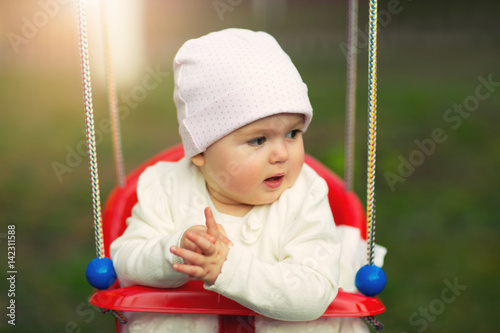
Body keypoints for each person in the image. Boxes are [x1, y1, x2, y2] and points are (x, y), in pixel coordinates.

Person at [110, 28, 385, 332]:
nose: (281, 153)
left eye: (293, 133)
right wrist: (174, 251)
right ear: (200, 150)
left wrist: (230, 268)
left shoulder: (304, 195)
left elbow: (314, 291)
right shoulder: (164, 187)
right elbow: (126, 262)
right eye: (258, 140)